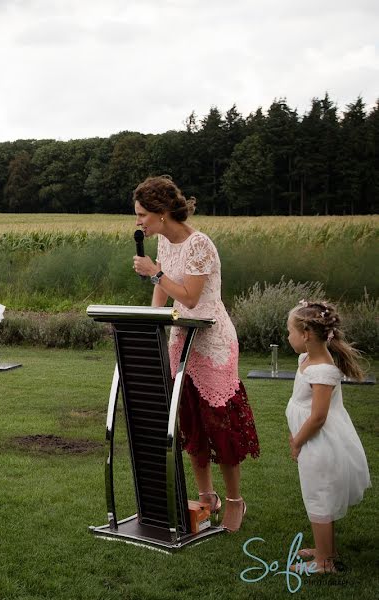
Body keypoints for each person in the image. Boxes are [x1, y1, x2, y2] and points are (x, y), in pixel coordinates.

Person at [131, 175, 259, 533]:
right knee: (188, 420)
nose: (138, 223)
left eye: (142, 215)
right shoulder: (166, 245)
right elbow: (164, 297)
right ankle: (207, 496)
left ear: (162, 212)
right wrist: (152, 321)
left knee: (219, 423)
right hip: (181, 338)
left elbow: (189, 296)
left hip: (213, 342)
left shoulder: (198, 244)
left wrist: (155, 274)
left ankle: (235, 500)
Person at [285, 300, 370, 574]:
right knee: (320, 496)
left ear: (307, 334)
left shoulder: (323, 370)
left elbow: (319, 417)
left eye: (290, 332)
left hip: (319, 444)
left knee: (319, 497)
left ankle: (323, 564)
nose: (288, 337)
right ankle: (327, 550)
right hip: (313, 442)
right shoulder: (307, 360)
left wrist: (297, 440)